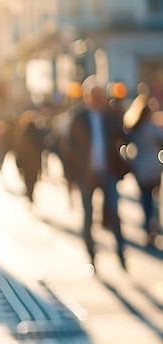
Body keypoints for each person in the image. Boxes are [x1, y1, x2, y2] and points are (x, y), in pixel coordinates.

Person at [66, 76, 130, 272]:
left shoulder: (110, 117)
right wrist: (72, 175)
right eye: (94, 95)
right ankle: (91, 255)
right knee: (88, 215)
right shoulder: (79, 118)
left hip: (108, 171)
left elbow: (124, 137)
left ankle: (120, 251)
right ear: (86, 97)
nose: (98, 99)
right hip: (87, 175)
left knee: (113, 211)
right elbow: (70, 148)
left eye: (100, 95)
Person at [123, 92, 163, 247]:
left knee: (145, 200)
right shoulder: (152, 128)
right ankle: (154, 225)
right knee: (154, 199)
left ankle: (148, 228)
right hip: (154, 168)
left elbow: (126, 145)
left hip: (141, 169)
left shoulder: (134, 129)